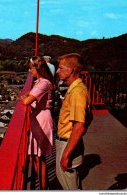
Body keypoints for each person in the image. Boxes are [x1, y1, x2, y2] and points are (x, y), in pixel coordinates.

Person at [55, 53, 90, 190]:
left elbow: (79, 126)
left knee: (70, 187)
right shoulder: (79, 89)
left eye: (61, 68)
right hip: (71, 142)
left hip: (67, 143)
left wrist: (66, 155)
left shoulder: (76, 92)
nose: (57, 71)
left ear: (71, 70)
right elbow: (90, 116)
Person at [19, 56, 54, 189]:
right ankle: (44, 185)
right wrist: (25, 97)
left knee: (40, 158)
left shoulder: (43, 83)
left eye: (31, 68)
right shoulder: (39, 81)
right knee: (35, 155)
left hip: (42, 119)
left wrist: (24, 98)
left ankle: (45, 188)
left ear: (38, 68)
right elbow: (27, 96)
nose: (29, 71)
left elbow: (26, 100)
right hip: (37, 118)